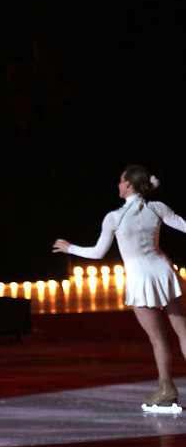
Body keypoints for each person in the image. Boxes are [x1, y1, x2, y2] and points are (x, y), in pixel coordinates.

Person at [53, 164, 186, 409]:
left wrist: (70, 248)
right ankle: (165, 389)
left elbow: (98, 252)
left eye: (121, 180)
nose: (117, 184)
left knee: (158, 339)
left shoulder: (114, 217)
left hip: (140, 278)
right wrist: (149, 185)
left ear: (127, 185)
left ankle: (167, 388)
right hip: (165, 272)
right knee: (184, 331)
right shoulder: (157, 208)